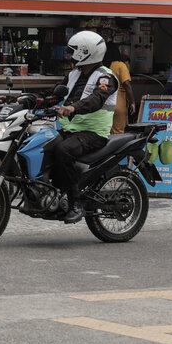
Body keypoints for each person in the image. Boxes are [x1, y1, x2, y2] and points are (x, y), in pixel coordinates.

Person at [53, 30, 119, 224]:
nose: (69, 55)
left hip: (94, 133)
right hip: (69, 130)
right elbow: (56, 93)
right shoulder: (74, 74)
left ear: (85, 52)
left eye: (72, 51)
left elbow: (96, 99)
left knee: (63, 151)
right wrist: (29, 99)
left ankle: (76, 203)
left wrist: (72, 108)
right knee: (43, 145)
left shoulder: (106, 77)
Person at [104, 43, 136, 134]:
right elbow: (126, 84)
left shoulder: (103, 66)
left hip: (104, 103)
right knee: (119, 133)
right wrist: (133, 102)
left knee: (107, 132)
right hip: (118, 103)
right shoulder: (120, 65)